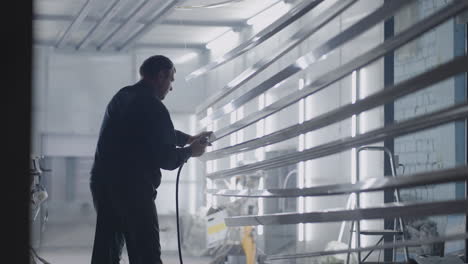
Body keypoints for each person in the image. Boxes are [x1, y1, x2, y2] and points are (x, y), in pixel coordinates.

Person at [89, 55, 212, 264]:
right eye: (171, 79)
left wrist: (188, 139)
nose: (171, 87)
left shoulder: (123, 96)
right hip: (133, 192)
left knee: (106, 253)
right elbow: (167, 159)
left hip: (104, 185)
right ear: (160, 75)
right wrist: (191, 151)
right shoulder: (154, 107)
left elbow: (150, 132)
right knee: (147, 256)